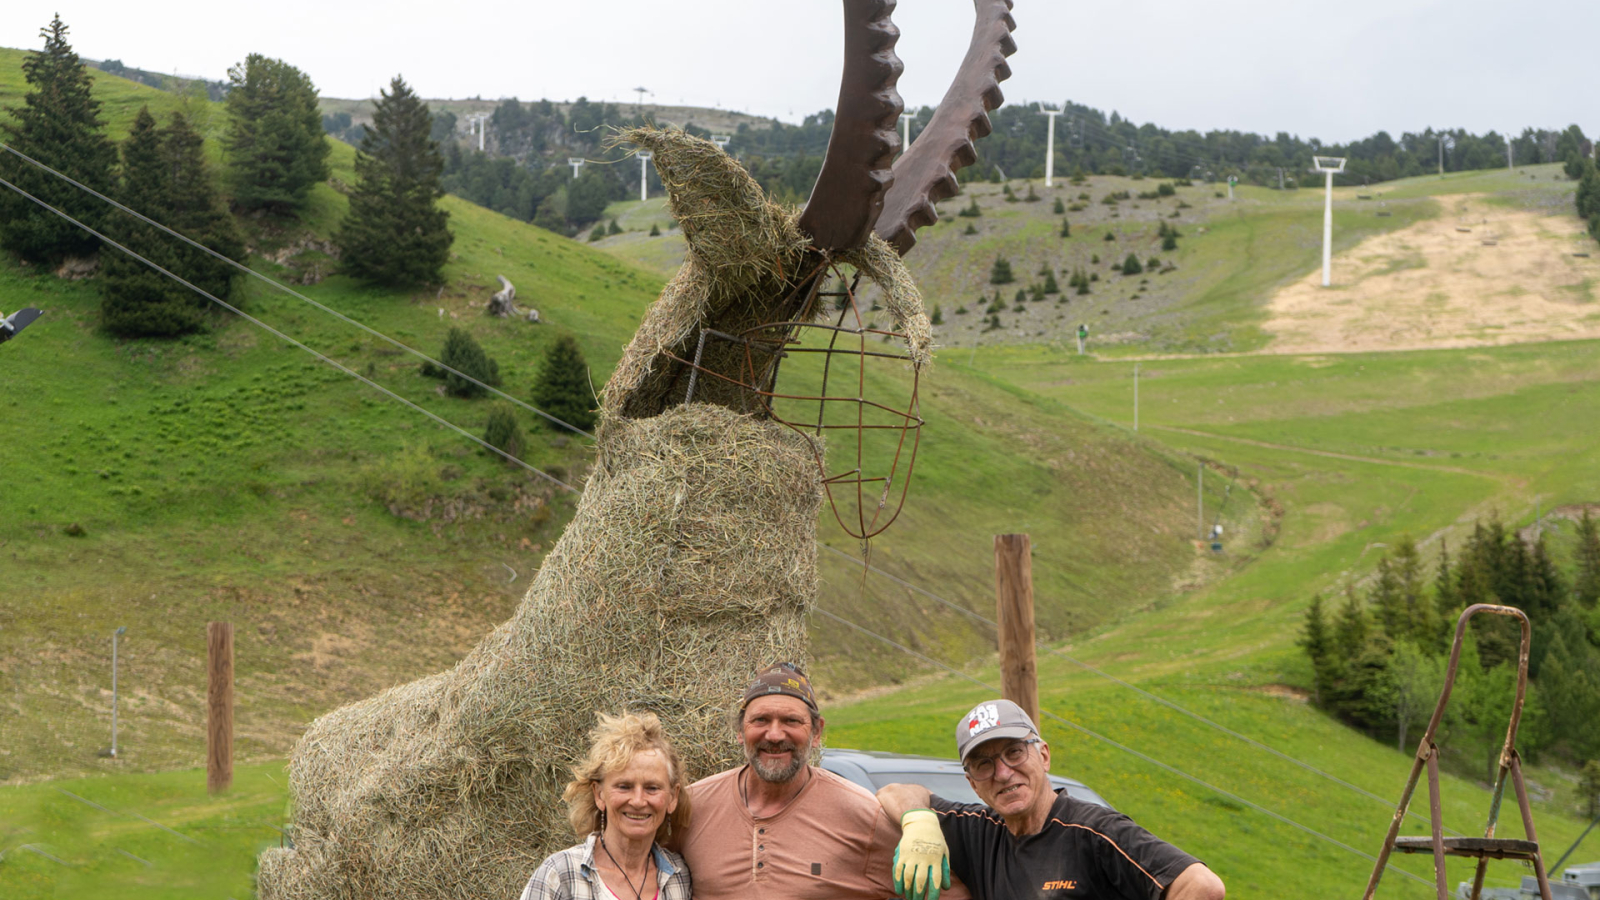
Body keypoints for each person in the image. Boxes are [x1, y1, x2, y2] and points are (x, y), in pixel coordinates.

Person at [671, 662, 968, 900]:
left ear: (816, 732)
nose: (774, 735)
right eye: (760, 720)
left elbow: (950, 893)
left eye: (791, 721)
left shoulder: (861, 814)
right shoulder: (691, 808)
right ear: (740, 730)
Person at [878, 699, 1225, 900]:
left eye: (1014, 753)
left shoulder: (1095, 832)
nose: (1002, 773)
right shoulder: (978, 832)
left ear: (1043, 756)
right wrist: (918, 821)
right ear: (972, 783)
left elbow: (1201, 886)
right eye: (984, 764)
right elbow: (895, 792)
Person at [519, 711, 694, 900]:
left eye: (652, 788)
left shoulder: (680, 878)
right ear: (599, 794)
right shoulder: (560, 876)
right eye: (624, 787)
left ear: (673, 797)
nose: (637, 801)